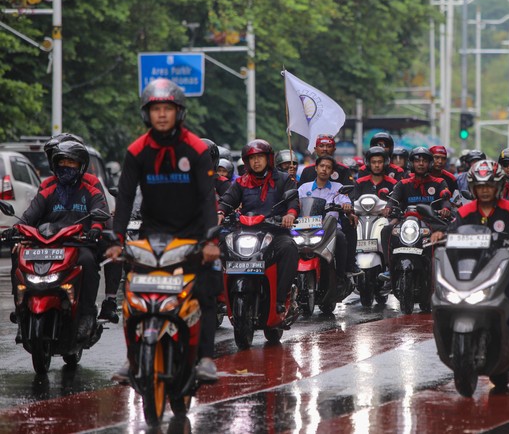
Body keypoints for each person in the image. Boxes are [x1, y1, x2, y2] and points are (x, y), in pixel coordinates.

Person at [106, 78, 221, 382]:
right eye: (155, 108)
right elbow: (126, 196)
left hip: (194, 235)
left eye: (167, 108)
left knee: (207, 287)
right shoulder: (136, 151)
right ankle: (132, 360)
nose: (161, 114)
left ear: (179, 112)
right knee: (132, 293)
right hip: (151, 235)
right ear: (147, 113)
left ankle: (206, 358)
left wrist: (211, 240)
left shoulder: (195, 149)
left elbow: (208, 197)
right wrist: (117, 239)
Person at [4, 140, 109, 340]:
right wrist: (14, 230)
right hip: (47, 244)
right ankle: (21, 312)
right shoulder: (48, 189)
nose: (67, 167)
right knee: (18, 257)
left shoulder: (91, 188)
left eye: (72, 163)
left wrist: (95, 229)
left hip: (78, 244)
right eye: (63, 162)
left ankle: (86, 315)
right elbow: (29, 217)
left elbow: (100, 213)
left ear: (81, 166)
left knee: (87, 261)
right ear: (55, 164)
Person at [429, 159, 509, 358]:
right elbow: (452, 230)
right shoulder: (464, 211)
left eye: (489, 186)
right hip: (472, 264)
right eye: (480, 186)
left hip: (502, 264)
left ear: (499, 186)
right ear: (473, 188)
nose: (485, 190)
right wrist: (440, 235)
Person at [217, 139, 301, 309]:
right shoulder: (241, 182)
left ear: (268, 159)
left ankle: (280, 298)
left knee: (289, 247)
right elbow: (227, 201)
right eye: (252, 158)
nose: (256, 162)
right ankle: (220, 297)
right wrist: (220, 213)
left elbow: (293, 203)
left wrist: (290, 215)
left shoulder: (284, 180)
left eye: (260, 157)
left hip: (275, 231)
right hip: (246, 232)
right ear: (247, 162)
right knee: (218, 248)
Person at [380, 147, 451, 278]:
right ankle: (390, 269)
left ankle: (446, 272)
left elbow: (445, 200)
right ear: (411, 163)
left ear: (429, 164)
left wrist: (445, 209)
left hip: (430, 222)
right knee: (387, 230)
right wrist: (388, 208)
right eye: (417, 160)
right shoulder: (403, 183)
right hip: (407, 223)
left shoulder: (439, 182)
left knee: (448, 231)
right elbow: (393, 200)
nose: (421, 164)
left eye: (424, 161)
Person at [297, 156, 354, 281]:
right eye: (322, 166)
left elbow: (345, 201)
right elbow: (296, 205)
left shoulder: (338, 188)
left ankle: (340, 276)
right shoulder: (303, 188)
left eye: (328, 167)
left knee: (340, 238)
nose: (324, 169)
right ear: (316, 168)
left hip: (330, 229)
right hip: (306, 228)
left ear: (332, 172)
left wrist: (346, 205)